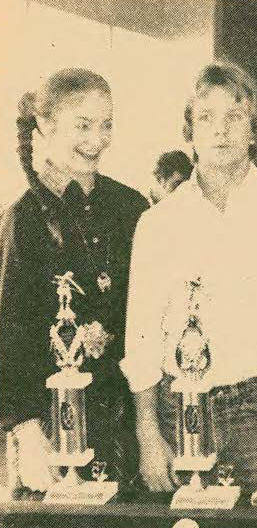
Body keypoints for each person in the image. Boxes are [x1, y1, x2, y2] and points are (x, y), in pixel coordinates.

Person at [121, 61, 257, 494]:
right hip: (180, 414)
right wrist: (148, 433)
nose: (221, 131)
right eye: (206, 118)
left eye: (234, 117)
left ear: (253, 130)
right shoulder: (157, 225)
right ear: (189, 131)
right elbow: (140, 337)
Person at [0, 69, 149, 491]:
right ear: (45, 126)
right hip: (49, 429)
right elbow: (9, 332)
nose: (97, 139)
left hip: (126, 421)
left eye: (107, 125)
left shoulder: (129, 207)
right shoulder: (22, 219)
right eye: (82, 125)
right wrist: (26, 433)